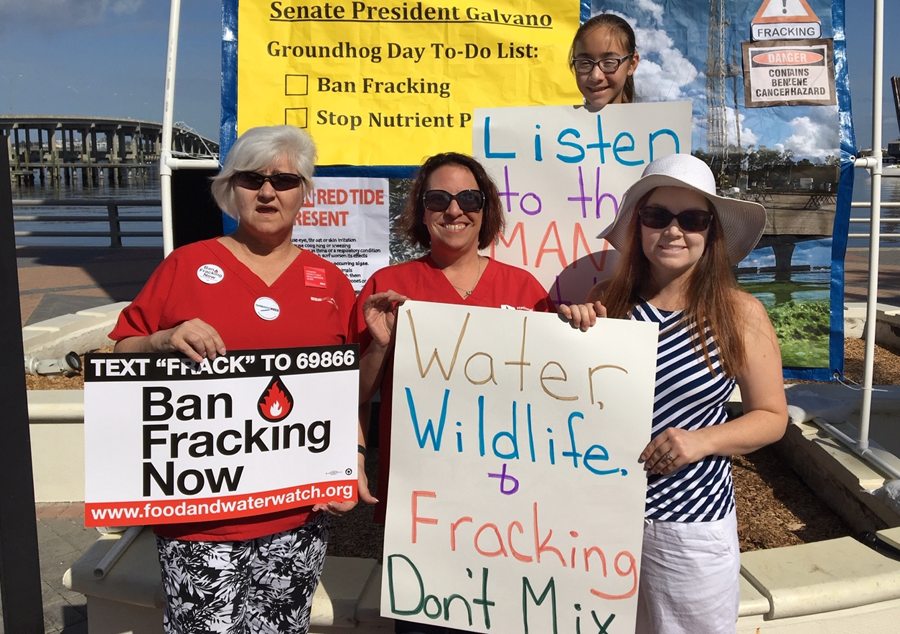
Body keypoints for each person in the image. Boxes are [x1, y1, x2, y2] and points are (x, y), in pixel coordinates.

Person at [110, 125, 357, 634]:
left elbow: (341, 387)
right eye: (252, 178)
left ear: (304, 193)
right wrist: (162, 338)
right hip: (199, 519)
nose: (268, 192)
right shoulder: (185, 264)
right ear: (230, 187)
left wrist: (350, 459)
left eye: (285, 181)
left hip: (298, 517)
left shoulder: (329, 280)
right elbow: (119, 353)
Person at [561, 153, 788, 634]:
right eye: (657, 216)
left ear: (710, 232)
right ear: (638, 226)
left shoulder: (740, 313)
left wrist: (700, 441)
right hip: (600, 517)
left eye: (692, 219)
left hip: (690, 526)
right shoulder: (608, 299)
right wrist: (575, 335)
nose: (673, 231)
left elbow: (771, 416)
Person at [354, 152, 554, 634]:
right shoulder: (388, 286)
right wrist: (380, 344)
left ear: (486, 210)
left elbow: (556, 393)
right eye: (438, 199)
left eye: (469, 198)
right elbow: (357, 393)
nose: (454, 210)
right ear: (421, 212)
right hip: (425, 508)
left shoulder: (525, 288)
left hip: (511, 503)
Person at [570, 13, 640, 108]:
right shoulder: (553, 121)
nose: (595, 76)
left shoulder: (652, 122)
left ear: (632, 64)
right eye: (585, 63)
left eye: (609, 63)